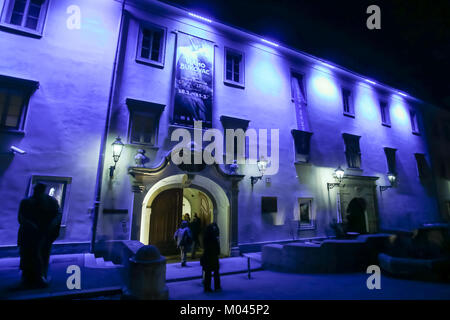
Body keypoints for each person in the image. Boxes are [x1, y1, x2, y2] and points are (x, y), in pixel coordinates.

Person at [17, 183, 62, 288]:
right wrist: (30, 224)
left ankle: (40, 277)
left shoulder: (51, 202)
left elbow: (57, 215)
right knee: (28, 256)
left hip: (43, 234)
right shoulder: (27, 202)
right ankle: (29, 278)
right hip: (29, 235)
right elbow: (21, 217)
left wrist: (53, 224)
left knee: (41, 256)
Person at [200, 223, 221, 292]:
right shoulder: (213, 238)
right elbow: (216, 247)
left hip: (207, 256)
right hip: (213, 257)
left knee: (208, 273)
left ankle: (207, 287)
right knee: (215, 272)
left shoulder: (205, 237)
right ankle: (217, 287)